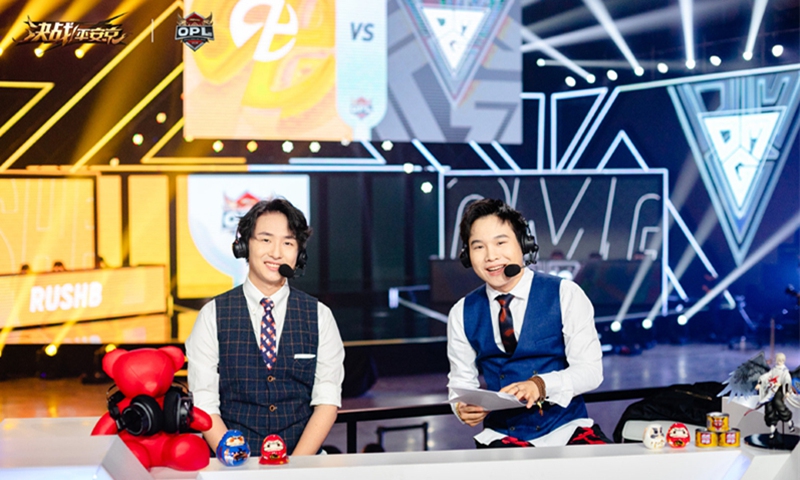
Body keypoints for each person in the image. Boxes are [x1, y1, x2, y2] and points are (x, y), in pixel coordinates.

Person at [186, 198, 345, 456]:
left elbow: (327, 401)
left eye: (288, 243)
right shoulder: (211, 315)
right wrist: (235, 460)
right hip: (231, 465)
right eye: (266, 240)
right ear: (243, 245)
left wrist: (295, 467)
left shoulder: (320, 316)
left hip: (302, 465)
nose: (276, 253)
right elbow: (204, 401)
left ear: (299, 255)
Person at [447, 198, 607, 447]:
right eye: (478, 247)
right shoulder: (461, 312)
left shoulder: (565, 294)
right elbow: (460, 381)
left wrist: (541, 385)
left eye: (501, 243)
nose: (491, 256)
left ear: (524, 244)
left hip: (566, 430)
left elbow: (591, 371)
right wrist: (462, 408)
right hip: (502, 437)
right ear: (468, 255)